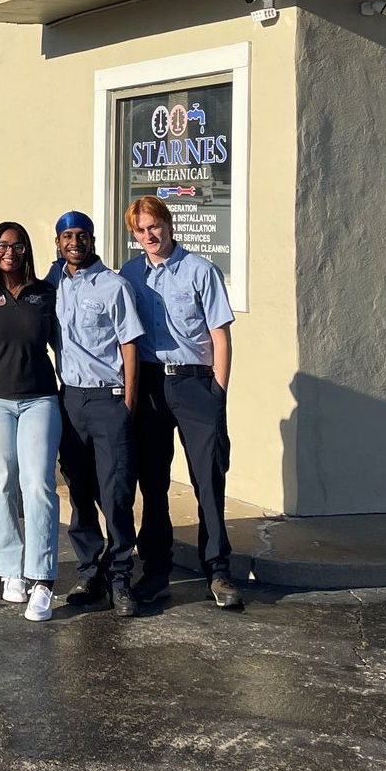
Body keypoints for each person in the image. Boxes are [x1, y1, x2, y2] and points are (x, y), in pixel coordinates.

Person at [119, 196, 244, 611]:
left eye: (154, 226)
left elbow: (221, 336)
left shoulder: (200, 270)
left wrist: (218, 395)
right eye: (140, 230)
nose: (149, 235)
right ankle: (156, 572)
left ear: (169, 225)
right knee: (152, 483)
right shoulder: (131, 273)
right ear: (133, 235)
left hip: (195, 384)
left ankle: (218, 570)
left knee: (208, 480)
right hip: (152, 386)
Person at [49, 211, 145, 618]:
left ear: (92, 240)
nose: (75, 242)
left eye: (82, 236)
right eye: (67, 236)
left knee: (116, 493)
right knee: (80, 491)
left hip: (109, 399)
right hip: (70, 400)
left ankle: (121, 578)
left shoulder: (114, 286)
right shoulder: (53, 284)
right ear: (58, 243)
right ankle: (90, 572)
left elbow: (129, 347)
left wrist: (127, 404)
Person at [0, 221, 62, 622]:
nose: (10, 251)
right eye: (3, 245)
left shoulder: (46, 293)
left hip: (39, 399)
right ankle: (11, 571)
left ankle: (41, 578)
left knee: (39, 483)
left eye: (18, 245)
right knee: (1, 481)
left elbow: (66, 342)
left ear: (27, 250)